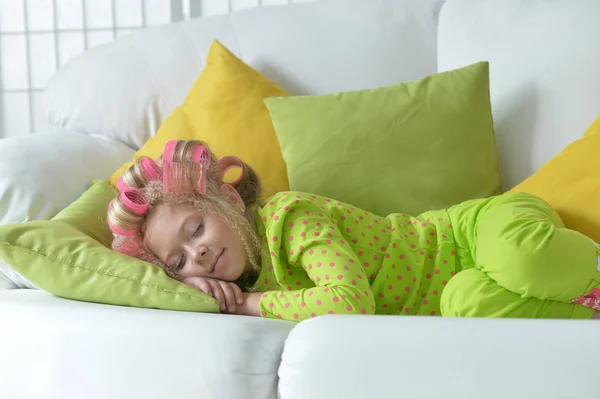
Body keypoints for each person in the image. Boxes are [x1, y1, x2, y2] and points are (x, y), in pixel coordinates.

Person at [107, 140, 600, 322]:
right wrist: (204, 292)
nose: (198, 253)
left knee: (521, 257)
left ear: (229, 200)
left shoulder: (289, 218)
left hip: (472, 231)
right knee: (470, 303)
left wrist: (251, 305)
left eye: (196, 228)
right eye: (178, 261)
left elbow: (348, 302)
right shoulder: (250, 283)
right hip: (451, 294)